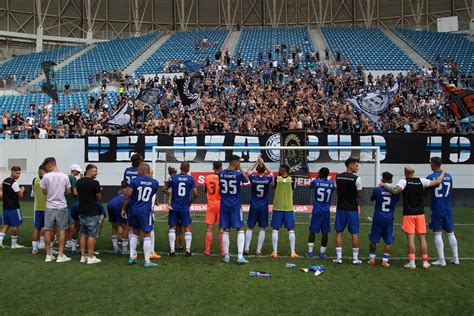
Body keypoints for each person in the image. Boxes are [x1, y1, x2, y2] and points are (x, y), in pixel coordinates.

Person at [382, 164, 446, 269]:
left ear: (405, 172)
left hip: (408, 214)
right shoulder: (422, 181)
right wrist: (443, 172)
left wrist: (384, 185)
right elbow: (438, 182)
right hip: (420, 214)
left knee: (411, 239)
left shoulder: (404, 181)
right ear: (413, 172)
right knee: (422, 238)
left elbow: (394, 191)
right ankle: (425, 262)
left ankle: (412, 263)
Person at [121, 163, 159, 268]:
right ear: (149, 171)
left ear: (142, 171)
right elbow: (152, 195)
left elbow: (127, 196)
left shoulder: (134, 181)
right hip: (145, 211)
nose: (137, 171)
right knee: (146, 234)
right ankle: (147, 261)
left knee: (135, 233)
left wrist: (123, 209)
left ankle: (132, 257)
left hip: (133, 209)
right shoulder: (155, 183)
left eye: (139, 170)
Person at [427, 157, 459, 266]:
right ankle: (456, 258)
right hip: (447, 207)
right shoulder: (449, 176)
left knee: (437, 233)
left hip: (437, 208)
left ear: (435, 164)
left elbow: (426, 191)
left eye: (431, 163)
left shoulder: (431, 177)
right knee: (450, 233)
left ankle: (442, 260)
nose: (430, 165)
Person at [40, 157, 72, 263]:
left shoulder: (45, 177)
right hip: (61, 206)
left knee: (48, 230)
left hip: (49, 206)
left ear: (50, 165)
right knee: (62, 230)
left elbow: (44, 191)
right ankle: (60, 255)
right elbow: (68, 191)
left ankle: (48, 255)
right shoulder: (64, 176)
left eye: (46, 167)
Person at [163, 162, 198, 257]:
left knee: (172, 227)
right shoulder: (190, 179)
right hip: (184, 207)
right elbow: (196, 193)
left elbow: (164, 188)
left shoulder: (174, 178)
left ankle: (172, 251)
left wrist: (170, 194)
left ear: (180, 168)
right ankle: (187, 251)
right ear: (188, 169)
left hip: (174, 206)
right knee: (187, 227)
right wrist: (191, 201)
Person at [219, 155, 249, 264]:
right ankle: (240, 257)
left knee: (226, 229)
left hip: (224, 204)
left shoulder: (221, 173)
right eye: (239, 162)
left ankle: (227, 256)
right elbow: (246, 179)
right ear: (235, 162)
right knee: (240, 228)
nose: (239, 164)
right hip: (235, 205)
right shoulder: (238, 174)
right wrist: (240, 169)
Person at [334, 158, 363, 265]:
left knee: (339, 232)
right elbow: (359, 195)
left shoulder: (338, 176)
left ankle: (339, 258)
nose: (357, 167)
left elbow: (337, 191)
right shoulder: (357, 178)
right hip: (352, 210)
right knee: (354, 233)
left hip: (341, 208)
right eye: (356, 165)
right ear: (350, 165)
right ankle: (355, 259)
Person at [368, 172, 400, 267]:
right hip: (389, 218)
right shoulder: (395, 192)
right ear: (391, 180)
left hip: (378, 218)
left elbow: (371, 199)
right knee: (388, 240)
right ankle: (385, 260)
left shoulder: (377, 190)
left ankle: (372, 259)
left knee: (373, 239)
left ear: (382, 179)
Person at [244, 156, 273, 256]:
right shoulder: (267, 178)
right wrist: (263, 162)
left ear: (256, 170)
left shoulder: (253, 178)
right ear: (264, 170)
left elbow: (248, 170)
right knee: (262, 228)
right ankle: (258, 250)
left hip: (254, 206)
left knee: (250, 227)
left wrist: (257, 162)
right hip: (263, 207)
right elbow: (271, 173)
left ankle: (247, 248)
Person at [76, 164, 103, 264]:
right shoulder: (95, 183)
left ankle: (83, 256)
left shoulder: (79, 182)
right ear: (90, 171)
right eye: (95, 171)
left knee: (83, 234)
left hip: (82, 210)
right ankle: (91, 256)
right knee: (92, 235)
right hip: (92, 212)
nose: (97, 173)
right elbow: (99, 198)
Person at [270, 164, 298, 259]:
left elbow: (272, 186)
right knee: (291, 229)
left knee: (275, 229)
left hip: (277, 207)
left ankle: (275, 252)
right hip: (288, 208)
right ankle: (292, 252)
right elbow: (294, 188)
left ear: (283, 170)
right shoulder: (293, 180)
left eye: (279, 168)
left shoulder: (275, 179)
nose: (278, 169)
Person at [307, 167, 335, 259]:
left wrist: (318, 177)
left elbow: (310, 186)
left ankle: (310, 252)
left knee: (312, 231)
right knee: (325, 232)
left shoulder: (316, 182)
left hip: (316, 211)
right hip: (326, 211)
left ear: (320, 173)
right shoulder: (332, 184)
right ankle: (322, 253)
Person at [0, 166, 26, 249]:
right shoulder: (14, 183)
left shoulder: (5, 181)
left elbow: (2, 194)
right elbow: (20, 195)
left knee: (6, 225)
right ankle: (14, 244)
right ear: (12, 172)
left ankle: (0, 242)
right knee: (15, 225)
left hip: (5, 207)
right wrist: (22, 189)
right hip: (14, 207)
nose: (18, 175)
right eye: (17, 173)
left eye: (19, 173)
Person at [203, 161, 224, 256]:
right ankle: (223, 251)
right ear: (221, 168)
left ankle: (207, 250)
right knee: (222, 229)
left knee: (209, 229)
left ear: (213, 168)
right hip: (221, 205)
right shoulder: (223, 177)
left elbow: (205, 190)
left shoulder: (207, 177)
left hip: (211, 205)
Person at [31, 165, 47, 254]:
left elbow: (32, 194)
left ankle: (34, 248)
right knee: (46, 227)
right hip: (46, 208)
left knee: (37, 227)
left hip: (37, 208)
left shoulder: (34, 180)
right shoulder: (48, 180)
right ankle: (41, 244)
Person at [65, 164, 80, 253]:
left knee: (65, 223)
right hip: (72, 203)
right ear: (73, 170)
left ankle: (66, 240)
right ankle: (69, 240)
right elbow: (75, 192)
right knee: (72, 223)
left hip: (66, 202)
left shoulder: (66, 177)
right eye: (77, 171)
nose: (78, 172)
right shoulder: (73, 178)